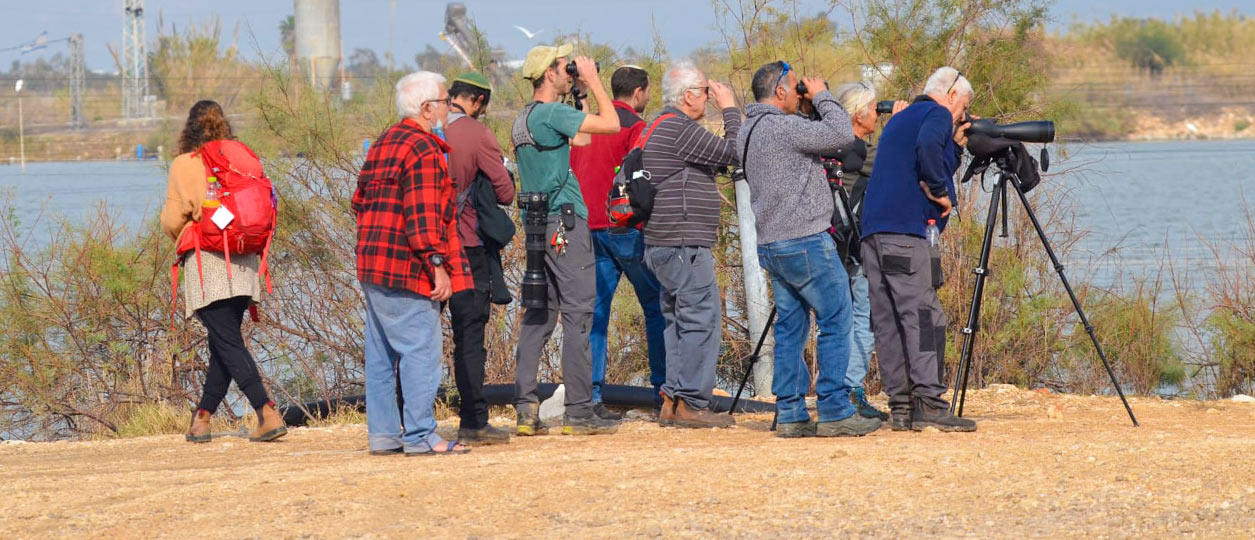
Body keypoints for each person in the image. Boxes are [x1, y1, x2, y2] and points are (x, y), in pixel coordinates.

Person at [737, 61, 879, 437]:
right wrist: (822, 95)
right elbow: (840, 135)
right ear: (781, 91)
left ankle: (791, 412)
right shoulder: (783, 128)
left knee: (791, 326)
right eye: (795, 87)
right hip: (805, 240)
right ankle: (834, 408)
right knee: (837, 318)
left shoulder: (748, 130)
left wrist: (809, 104)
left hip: (771, 243)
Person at [354, 71, 473, 455]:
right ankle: (421, 435)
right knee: (421, 352)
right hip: (408, 268)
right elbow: (423, 219)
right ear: (426, 108)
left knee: (381, 356)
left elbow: (357, 201)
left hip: (373, 264)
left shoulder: (384, 142)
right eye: (444, 102)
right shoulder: (423, 149)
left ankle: (384, 435)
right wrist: (437, 265)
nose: (448, 108)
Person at [511, 44, 622, 436]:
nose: (570, 71)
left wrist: (579, 96)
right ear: (548, 73)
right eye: (565, 68)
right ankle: (578, 409)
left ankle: (525, 406)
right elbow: (610, 125)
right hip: (565, 225)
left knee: (540, 313)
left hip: (537, 225)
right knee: (579, 314)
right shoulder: (551, 113)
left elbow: (582, 142)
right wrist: (594, 82)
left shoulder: (524, 118)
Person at [161, 100, 287, 444]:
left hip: (209, 263)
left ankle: (266, 411)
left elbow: (173, 220)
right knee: (224, 343)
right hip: (246, 261)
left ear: (189, 128)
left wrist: (183, 232)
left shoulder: (184, 164)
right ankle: (202, 419)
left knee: (228, 343)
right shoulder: (241, 156)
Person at [860, 66, 976, 433]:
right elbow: (928, 149)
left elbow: (925, 153)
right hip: (905, 233)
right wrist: (939, 189)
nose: (962, 116)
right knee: (924, 316)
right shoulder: (937, 113)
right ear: (953, 95)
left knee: (889, 320)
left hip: (873, 234)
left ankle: (901, 408)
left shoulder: (900, 119)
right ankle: (929, 401)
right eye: (964, 107)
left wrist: (954, 150)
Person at [641, 60, 741, 428]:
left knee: (676, 320)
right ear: (687, 96)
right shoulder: (679, 128)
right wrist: (730, 108)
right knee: (701, 318)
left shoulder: (657, 126)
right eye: (703, 91)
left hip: (662, 242)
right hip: (683, 243)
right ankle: (693, 403)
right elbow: (734, 152)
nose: (708, 96)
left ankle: (672, 398)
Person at [568, 65, 666, 418]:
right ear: (638, 93)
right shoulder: (636, 127)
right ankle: (662, 391)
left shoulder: (588, 125)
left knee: (595, 314)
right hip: (625, 228)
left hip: (587, 228)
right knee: (656, 308)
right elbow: (643, 178)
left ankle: (592, 394)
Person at [444, 72, 516, 445]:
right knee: (469, 335)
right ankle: (473, 420)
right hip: (466, 247)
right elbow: (504, 192)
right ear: (477, 102)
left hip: (422, 246)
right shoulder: (477, 134)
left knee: (415, 338)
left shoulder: (423, 127)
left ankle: (407, 421)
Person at [831, 83, 906, 422]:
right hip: (854, 246)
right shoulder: (859, 151)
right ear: (858, 114)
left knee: (834, 320)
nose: (879, 114)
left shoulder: (830, 144)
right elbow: (895, 161)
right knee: (865, 317)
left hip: (830, 244)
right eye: (876, 109)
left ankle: (834, 391)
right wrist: (899, 125)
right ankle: (850, 389)